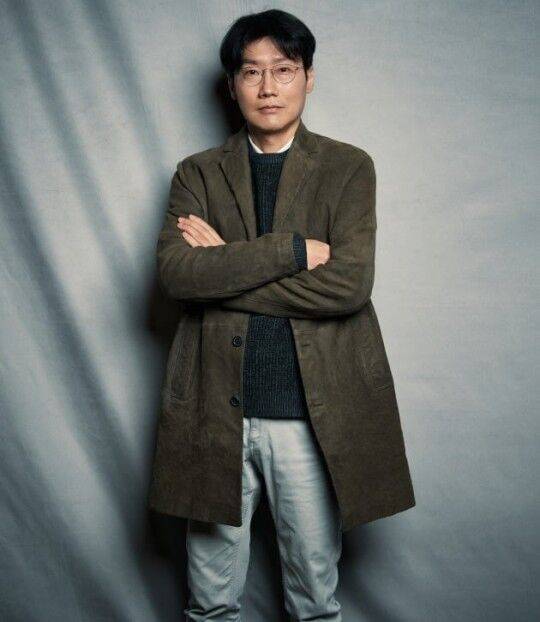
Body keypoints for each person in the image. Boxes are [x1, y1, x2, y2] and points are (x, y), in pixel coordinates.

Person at [148, 8, 416, 621]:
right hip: (213, 410)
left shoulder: (348, 167)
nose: (268, 87)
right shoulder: (197, 173)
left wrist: (223, 270)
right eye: (252, 72)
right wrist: (288, 252)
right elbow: (177, 275)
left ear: (308, 78)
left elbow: (348, 286)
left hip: (309, 415)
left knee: (313, 601)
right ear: (232, 85)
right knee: (209, 602)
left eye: (284, 70)